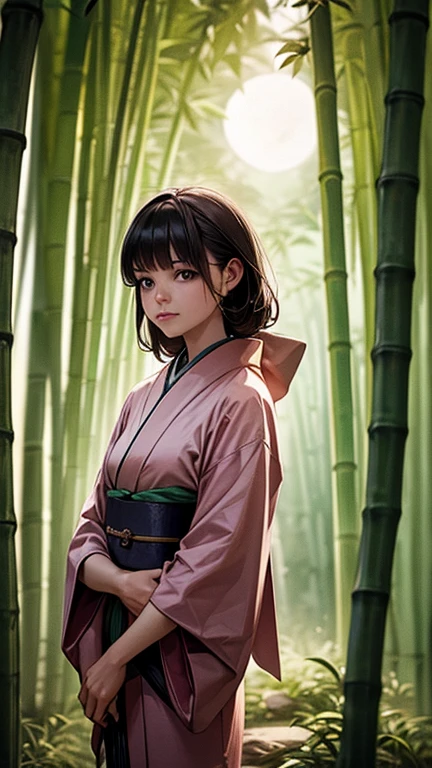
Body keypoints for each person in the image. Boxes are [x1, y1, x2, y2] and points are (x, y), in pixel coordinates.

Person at [62, 186, 306, 768]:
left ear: (229, 274)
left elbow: (217, 559)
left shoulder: (243, 402)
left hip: (177, 653)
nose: (159, 296)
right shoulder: (140, 397)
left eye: (181, 273)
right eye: (146, 281)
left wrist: (118, 655)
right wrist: (120, 584)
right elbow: (91, 523)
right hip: (128, 615)